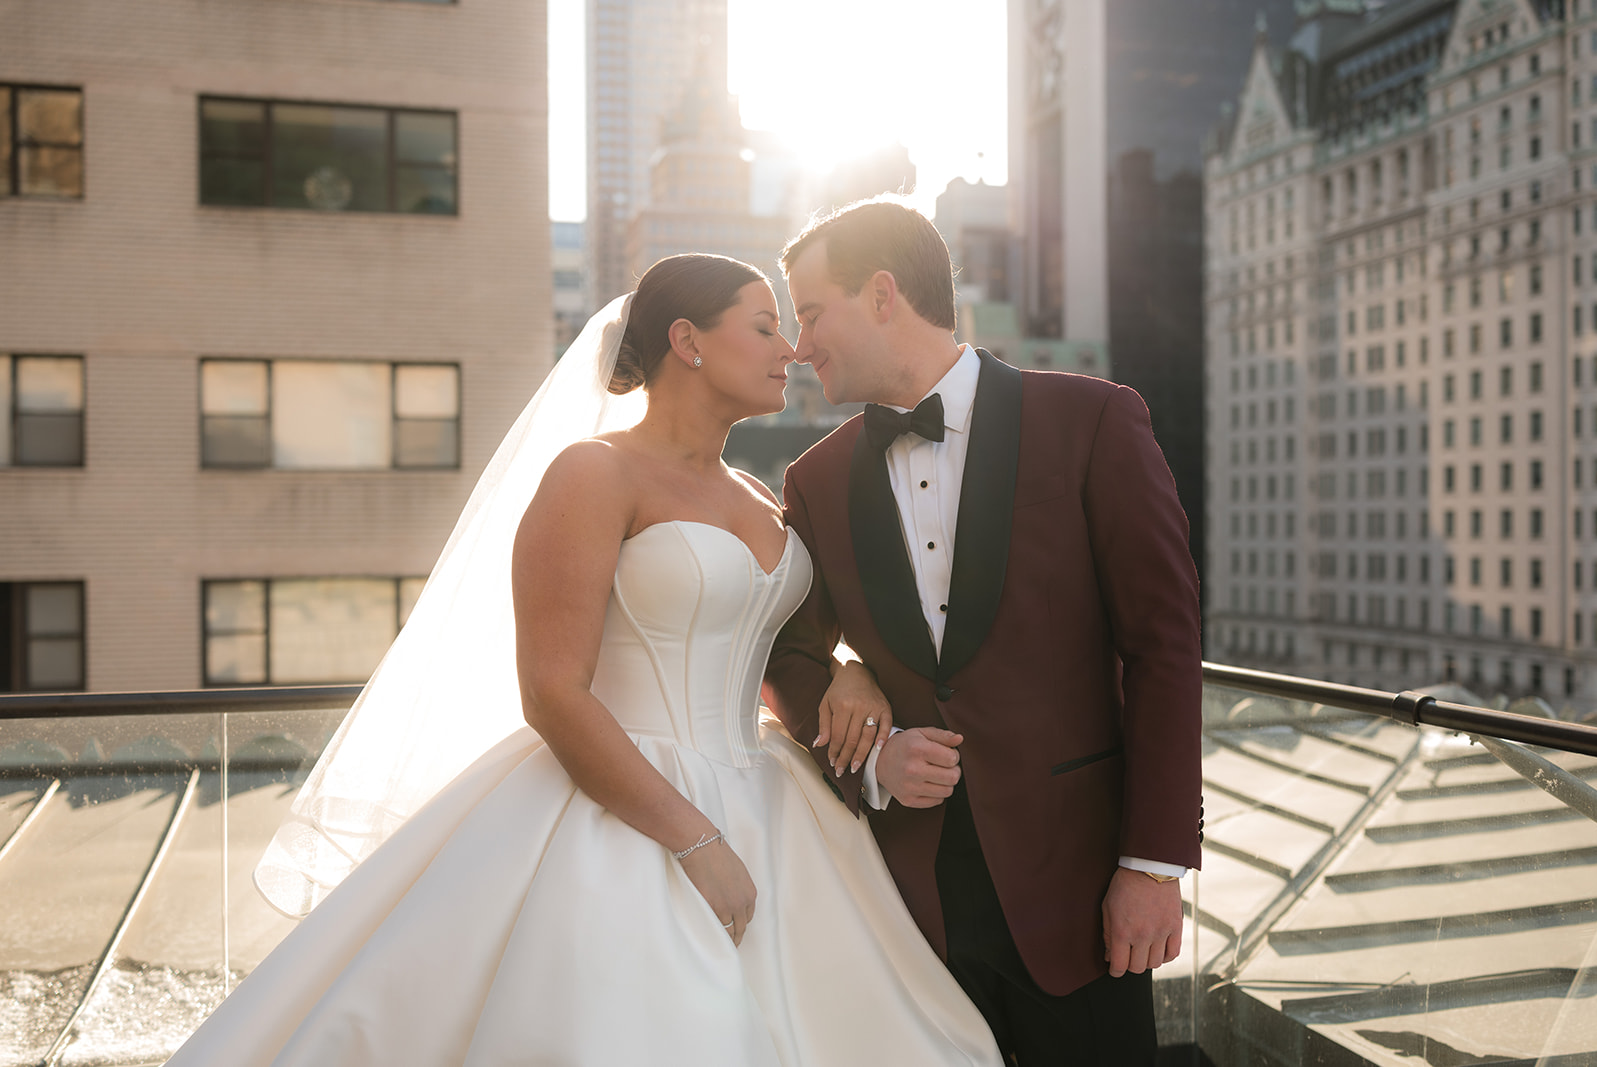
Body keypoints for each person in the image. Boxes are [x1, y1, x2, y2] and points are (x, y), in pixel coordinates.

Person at [167, 254, 1003, 1066]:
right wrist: (696, 841)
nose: (790, 348)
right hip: (624, 811)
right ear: (688, 341)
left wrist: (851, 666)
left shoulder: (760, 495)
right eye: (763, 326)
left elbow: (802, 640)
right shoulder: (592, 475)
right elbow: (552, 690)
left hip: (777, 800)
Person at [763, 200, 1204, 1067]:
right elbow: (786, 649)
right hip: (906, 907)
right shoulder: (814, 481)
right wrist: (872, 751)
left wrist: (1153, 866)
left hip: (1081, 891)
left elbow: (1163, 644)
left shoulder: (1093, 421)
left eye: (813, 313)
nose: (801, 343)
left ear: (883, 293)